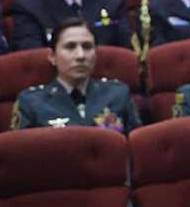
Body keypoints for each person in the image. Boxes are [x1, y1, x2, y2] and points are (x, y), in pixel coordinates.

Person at [12, 18, 141, 133]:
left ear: (96, 54)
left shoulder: (116, 94)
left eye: (87, 47)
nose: (80, 56)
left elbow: (135, 148)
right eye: (70, 47)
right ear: (52, 56)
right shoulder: (32, 102)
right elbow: (19, 153)